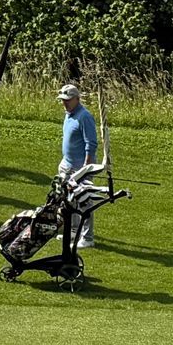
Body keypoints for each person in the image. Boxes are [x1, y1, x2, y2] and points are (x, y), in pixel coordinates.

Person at [58, 82, 99, 248]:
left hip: (81, 167)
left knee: (84, 202)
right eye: (62, 100)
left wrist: (86, 168)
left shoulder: (85, 116)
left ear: (77, 99)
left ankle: (88, 237)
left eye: (67, 100)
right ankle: (74, 230)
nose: (64, 103)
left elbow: (91, 143)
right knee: (69, 200)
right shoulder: (69, 114)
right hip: (67, 164)